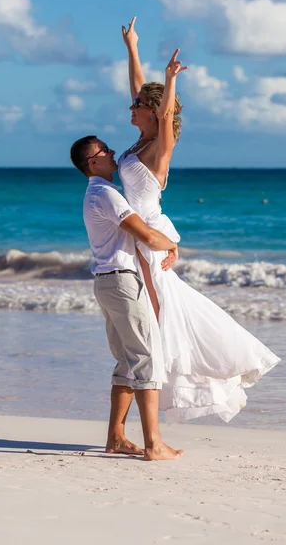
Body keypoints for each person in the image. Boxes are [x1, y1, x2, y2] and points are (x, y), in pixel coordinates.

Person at [119, 17, 280, 422]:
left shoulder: (159, 149)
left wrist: (172, 80)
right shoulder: (139, 141)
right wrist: (132, 48)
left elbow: (164, 112)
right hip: (139, 235)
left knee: (161, 320)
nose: (131, 106)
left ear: (154, 114)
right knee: (158, 320)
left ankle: (180, 384)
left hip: (150, 235)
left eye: (139, 105)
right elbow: (140, 88)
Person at [70, 135, 184, 460]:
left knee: (126, 362)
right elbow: (144, 233)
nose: (112, 153)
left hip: (107, 283)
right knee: (147, 359)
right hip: (121, 284)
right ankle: (154, 444)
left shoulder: (96, 193)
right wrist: (173, 244)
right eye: (105, 150)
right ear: (93, 161)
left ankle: (116, 438)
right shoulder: (106, 194)